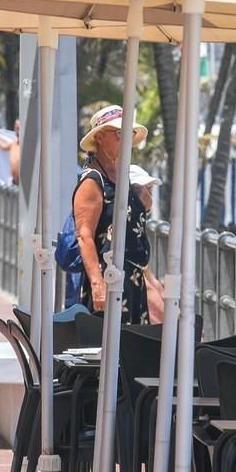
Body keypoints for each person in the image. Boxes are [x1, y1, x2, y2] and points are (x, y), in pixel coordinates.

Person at [73, 104, 151, 323]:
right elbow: (84, 235)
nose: (126, 139)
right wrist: (97, 284)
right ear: (100, 138)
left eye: (130, 133)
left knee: (131, 349)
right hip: (108, 281)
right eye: (119, 133)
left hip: (131, 280)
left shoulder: (122, 177)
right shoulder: (93, 180)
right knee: (107, 347)